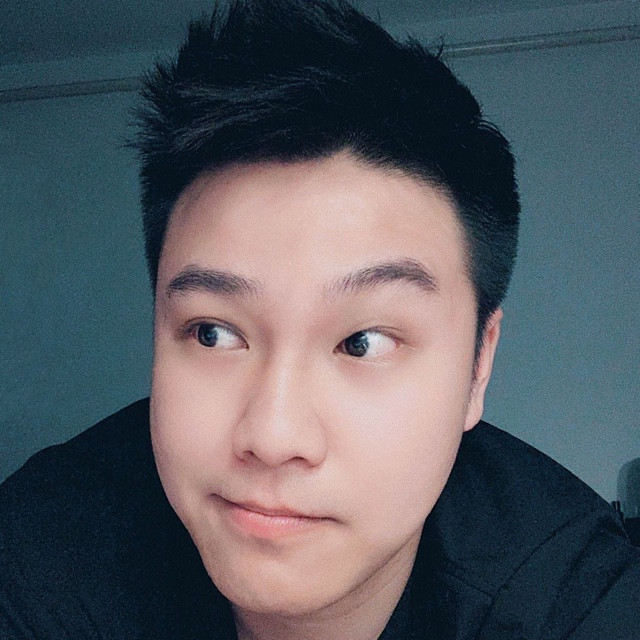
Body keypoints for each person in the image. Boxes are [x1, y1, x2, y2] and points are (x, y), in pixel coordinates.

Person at [1, 1, 638, 638]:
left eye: (362, 343)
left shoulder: (575, 599)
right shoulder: (44, 546)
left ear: (478, 367)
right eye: (213, 333)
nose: (274, 438)